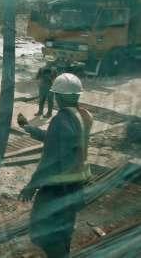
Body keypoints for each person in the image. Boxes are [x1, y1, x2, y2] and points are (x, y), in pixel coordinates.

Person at [17, 73, 92, 258]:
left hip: (58, 186)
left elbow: (49, 160)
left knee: (43, 231)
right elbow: (59, 140)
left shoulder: (61, 120)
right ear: (77, 95)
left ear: (57, 96)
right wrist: (29, 128)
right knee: (64, 227)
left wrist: (31, 186)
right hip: (77, 184)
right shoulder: (84, 115)